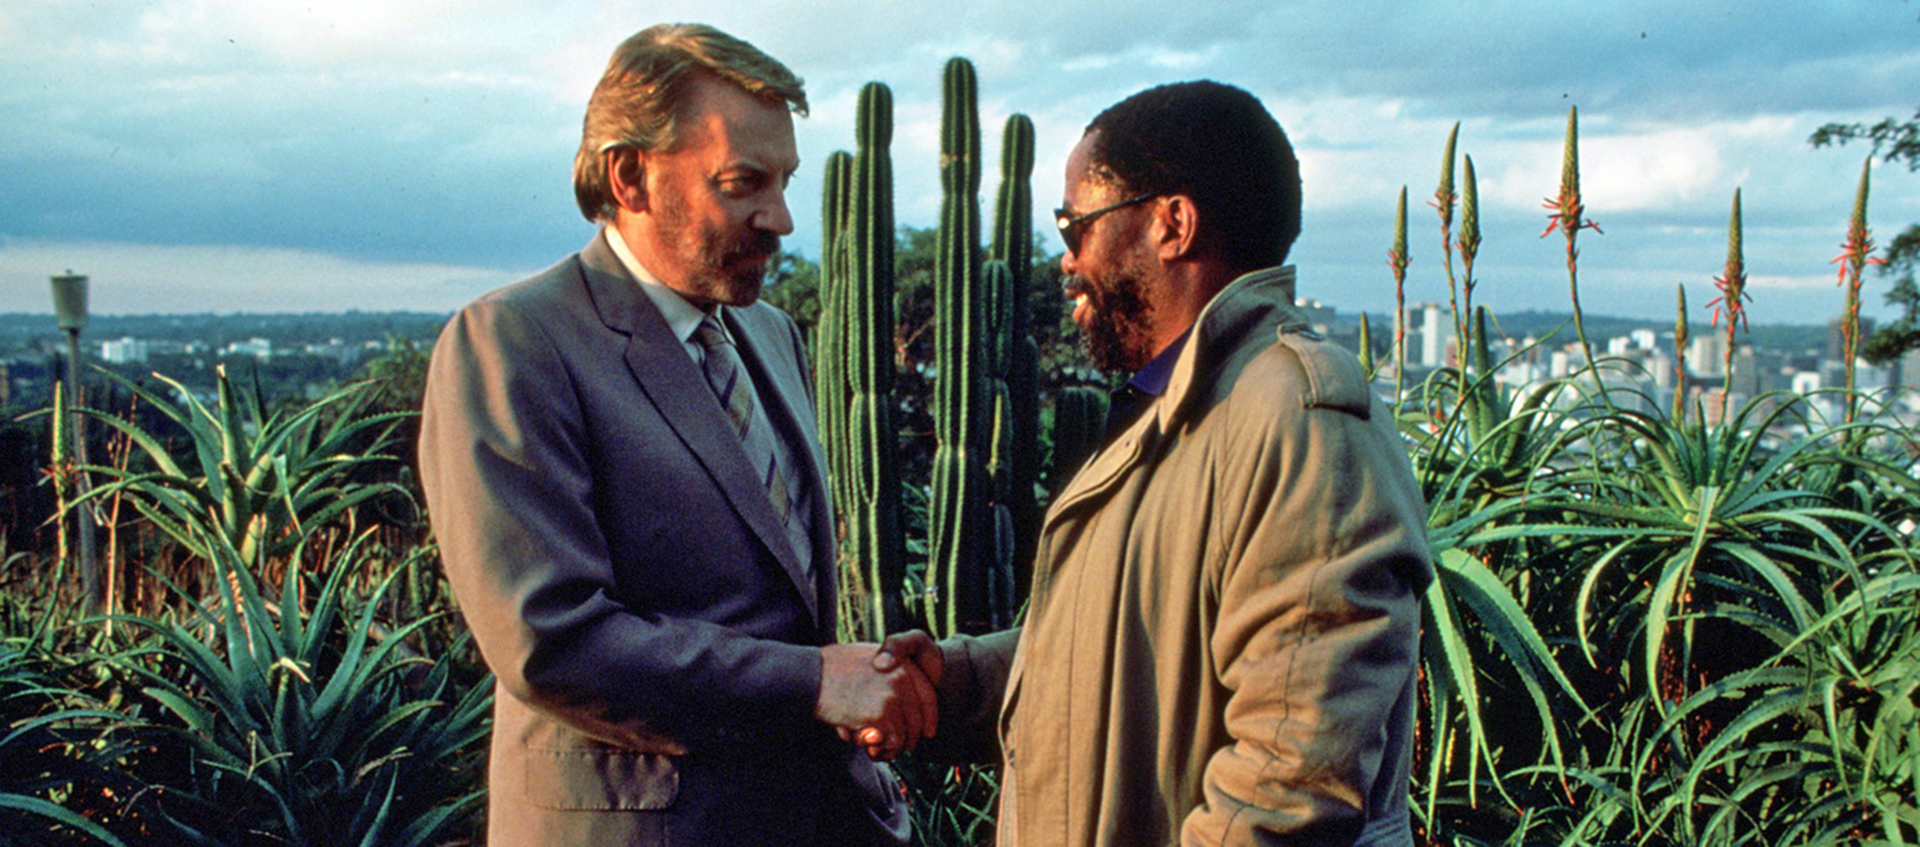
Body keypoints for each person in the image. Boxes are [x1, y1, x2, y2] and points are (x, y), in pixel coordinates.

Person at [419, 23, 932, 847]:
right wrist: (810, 681)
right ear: (629, 175)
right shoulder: (513, 342)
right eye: (742, 182)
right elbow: (551, 637)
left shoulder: (771, 334)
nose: (781, 218)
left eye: (785, 181)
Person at [883, 81, 1435, 846]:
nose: (1067, 259)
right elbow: (1128, 659)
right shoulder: (1188, 410)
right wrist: (960, 681)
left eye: (1077, 225)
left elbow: (1288, 782)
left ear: (1172, 223)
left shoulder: (1300, 419)